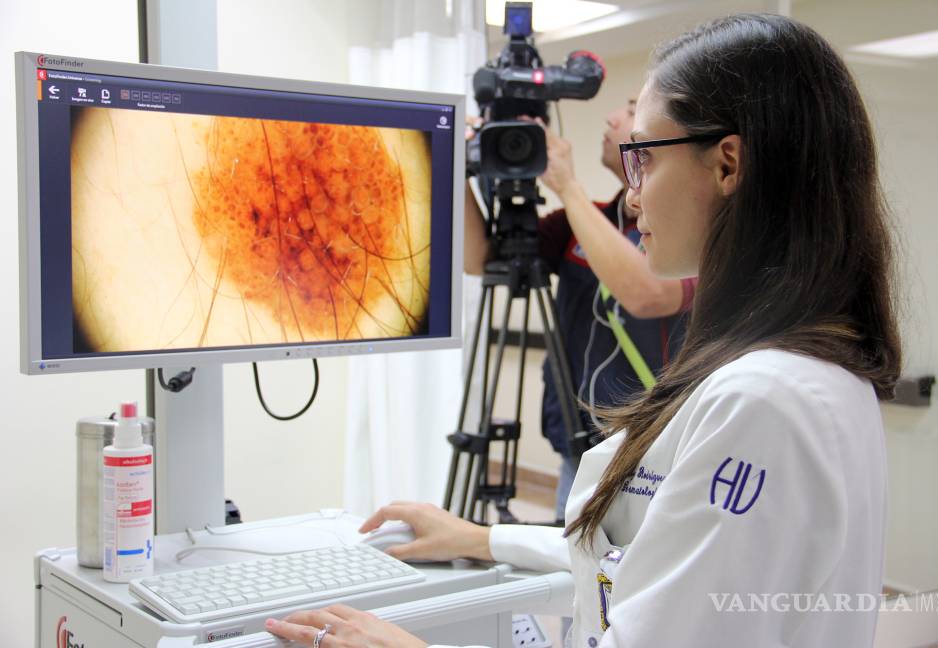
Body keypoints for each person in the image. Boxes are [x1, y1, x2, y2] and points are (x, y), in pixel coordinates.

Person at [266, 12, 900, 648]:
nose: (633, 196)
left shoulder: (762, 401)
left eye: (643, 158)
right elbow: (648, 551)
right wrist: (484, 537)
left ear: (728, 165)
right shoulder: (806, 372)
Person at [465, 101, 697, 521]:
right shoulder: (582, 222)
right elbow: (478, 258)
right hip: (580, 449)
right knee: (572, 561)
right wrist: (460, 168)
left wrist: (567, 185)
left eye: (631, 109)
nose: (612, 117)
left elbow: (648, 294)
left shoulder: (696, 232)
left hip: (650, 457)